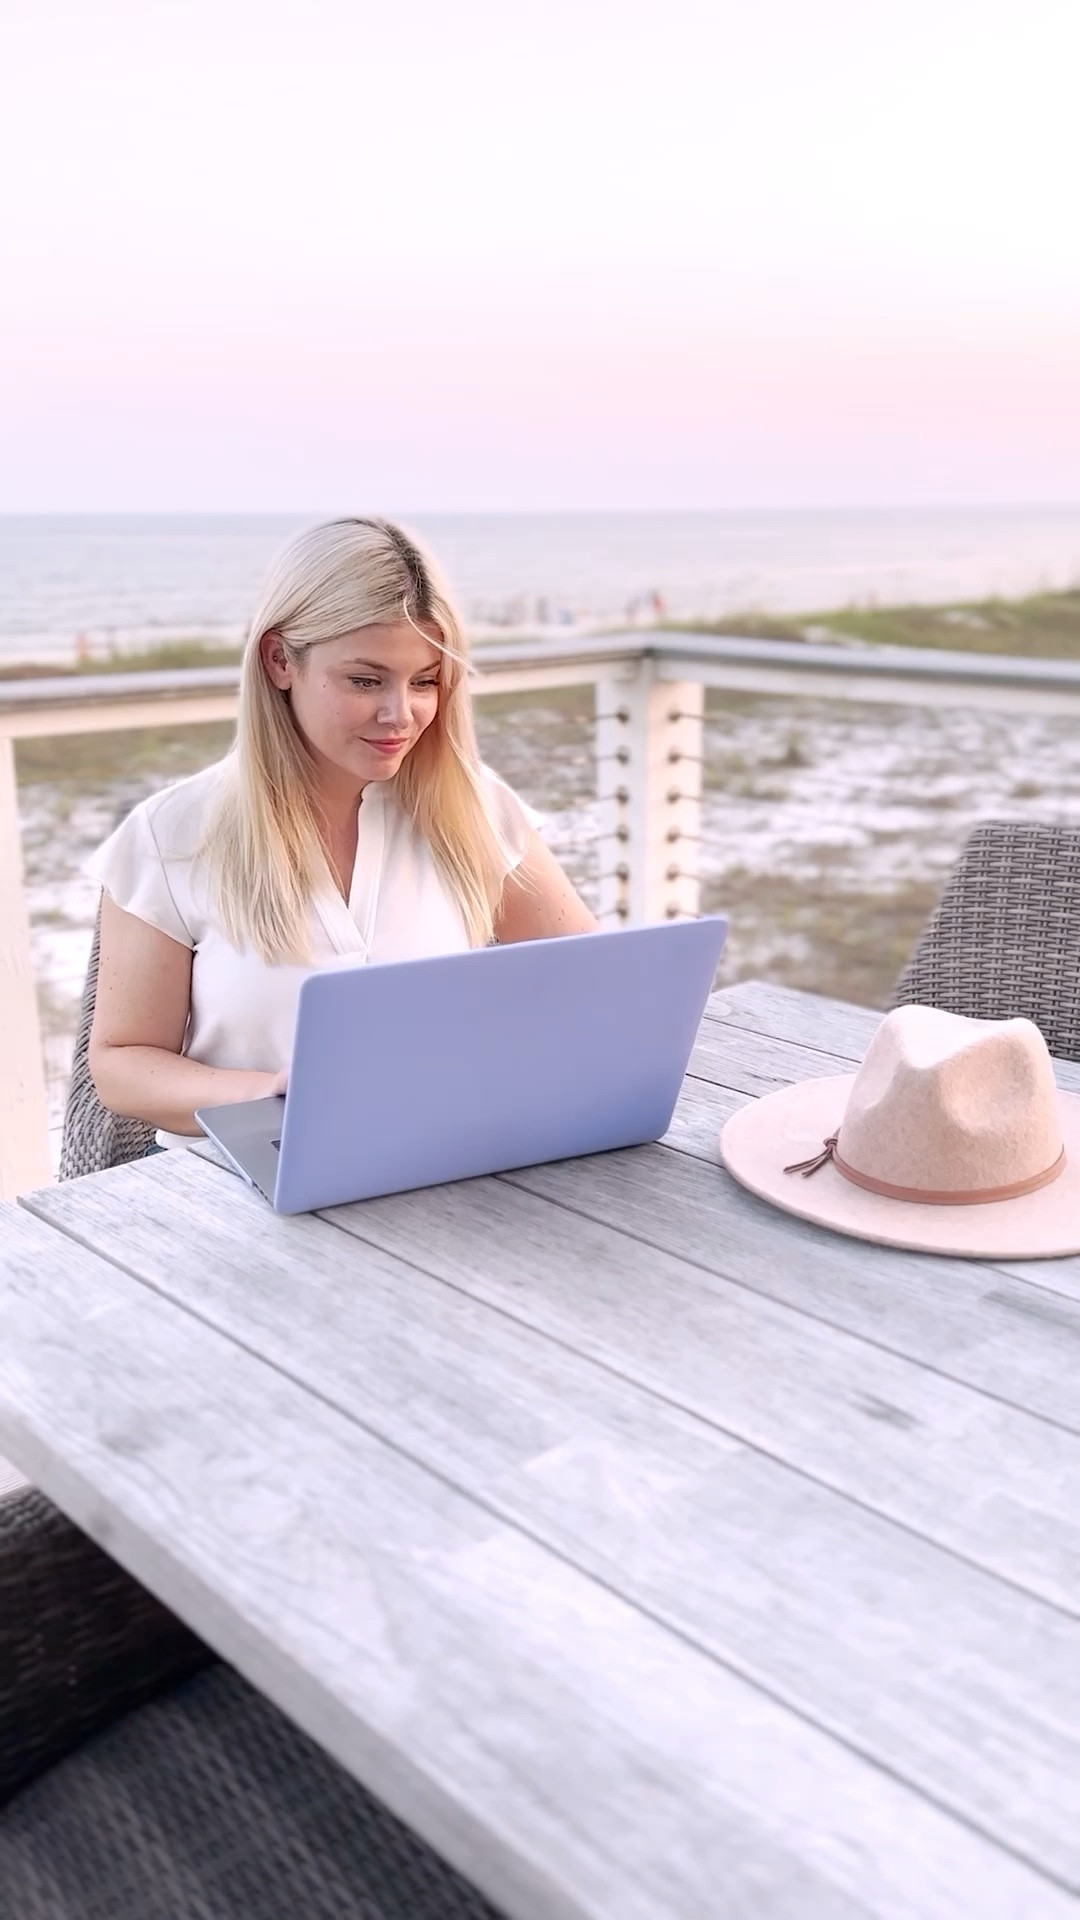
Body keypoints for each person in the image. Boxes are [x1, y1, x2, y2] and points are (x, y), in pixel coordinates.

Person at [87, 517, 597, 1149]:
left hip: (442, 1160)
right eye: (365, 680)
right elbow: (122, 1063)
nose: (400, 714)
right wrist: (272, 1095)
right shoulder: (170, 836)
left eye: (425, 681)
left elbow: (595, 985)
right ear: (279, 660)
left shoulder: (472, 807)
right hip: (241, 1179)